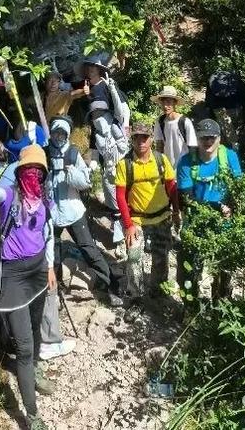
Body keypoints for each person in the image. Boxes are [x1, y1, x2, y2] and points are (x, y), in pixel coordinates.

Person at [0, 145, 56, 430]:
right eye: (29, 171)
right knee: (25, 346)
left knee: (36, 325)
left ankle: (34, 370)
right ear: (20, 173)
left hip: (39, 268)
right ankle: (31, 416)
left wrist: (51, 266)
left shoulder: (44, 198)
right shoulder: (9, 195)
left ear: (43, 175)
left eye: (38, 172)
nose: (34, 175)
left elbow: (48, 232)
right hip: (15, 277)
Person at [0, 137, 75, 362]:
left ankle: (10, 341)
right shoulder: (20, 174)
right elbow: (46, 228)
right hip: (27, 251)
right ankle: (45, 342)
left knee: (10, 301)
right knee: (41, 297)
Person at [47, 116, 123, 307]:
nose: (58, 137)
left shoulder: (72, 153)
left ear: (67, 134)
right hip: (52, 213)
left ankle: (110, 287)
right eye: (56, 132)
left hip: (73, 211)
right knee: (52, 253)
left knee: (89, 249)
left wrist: (70, 172)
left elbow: (85, 182)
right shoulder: (44, 152)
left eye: (62, 133)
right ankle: (53, 292)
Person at [176, 118, 243, 304]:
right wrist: (217, 206)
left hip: (224, 225)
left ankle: (220, 309)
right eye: (203, 137)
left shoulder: (229, 157)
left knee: (224, 271)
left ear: (219, 139)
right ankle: (190, 308)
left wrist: (233, 207)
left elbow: (239, 189)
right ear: (197, 139)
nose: (207, 142)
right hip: (195, 224)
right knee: (188, 272)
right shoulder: (186, 162)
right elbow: (186, 199)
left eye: (211, 137)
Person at [114, 121, 180, 302]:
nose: (141, 141)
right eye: (137, 137)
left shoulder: (161, 159)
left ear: (151, 139)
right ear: (132, 140)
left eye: (145, 137)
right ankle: (136, 297)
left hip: (163, 217)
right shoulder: (124, 164)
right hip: (137, 220)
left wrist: (176, 212)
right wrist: (128, 225)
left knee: (161, 255)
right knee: (134, 257)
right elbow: (120, 196)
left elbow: (172, 187)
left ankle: (158, 291)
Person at [83, 54, 129, 254]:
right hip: (107, 161)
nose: (90, 70)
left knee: (123, 193)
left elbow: (121, 112)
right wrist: (93, 161)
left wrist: (111, 88)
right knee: (111, 194)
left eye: (94, 67)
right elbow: (94, 142)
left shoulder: (109, 89)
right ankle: (119, 234)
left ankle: (128, 233)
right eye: (88, 67)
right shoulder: (97, 129)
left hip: (118, 155)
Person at [151, 86, 197, 169]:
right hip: (168, 168)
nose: (165, 106)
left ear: (175, 103)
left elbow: (192, 146)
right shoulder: (160, 122)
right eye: (163, 102)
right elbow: (159, 145)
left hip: (184, 167)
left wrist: (193, 167)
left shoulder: (185, 121)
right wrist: (159, 165)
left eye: (168, 102)